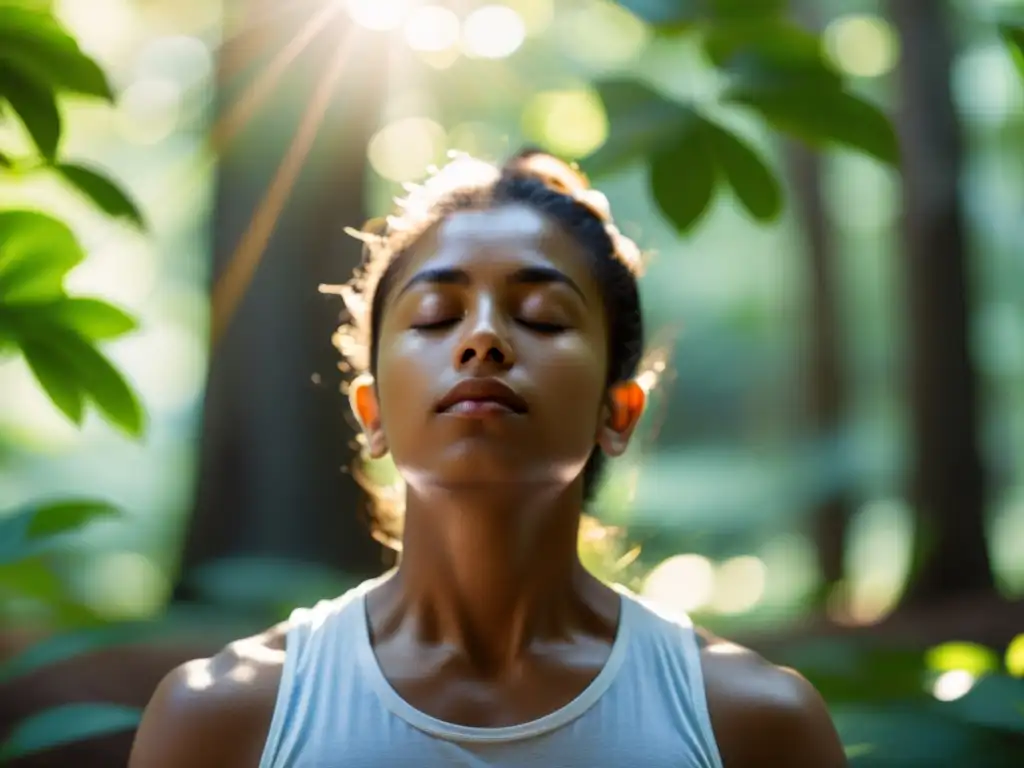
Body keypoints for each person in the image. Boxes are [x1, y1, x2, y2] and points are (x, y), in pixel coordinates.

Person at [129, 150, 847, 767]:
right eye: (437, 316)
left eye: (541, 318)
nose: (483, 340)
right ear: (371, 414)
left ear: (616, 411)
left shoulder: (753, 725)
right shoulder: (221, 720)